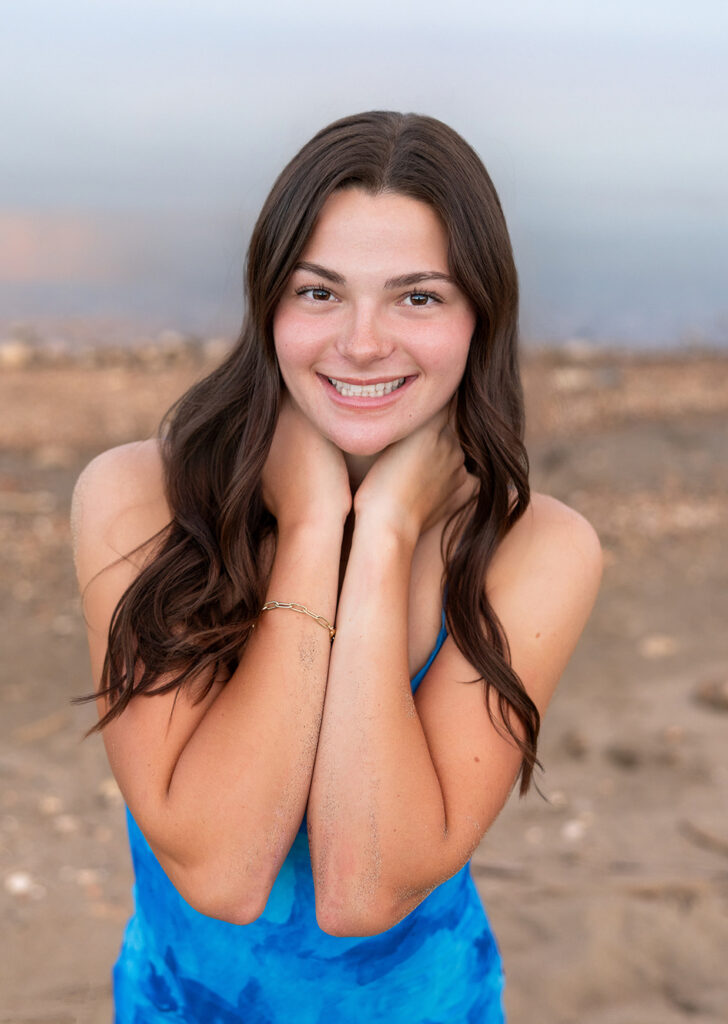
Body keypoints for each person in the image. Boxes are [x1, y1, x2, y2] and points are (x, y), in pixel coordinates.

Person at [71, 110, 603, 1023]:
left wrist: (386, 529)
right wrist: (318, 522)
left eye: (418, 297)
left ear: (482, 313)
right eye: (320, 293)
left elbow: (362, 889)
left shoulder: (540, 551)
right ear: (268, 301)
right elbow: (224, 872)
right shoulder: (135, 498)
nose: (362, 342)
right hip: (177, 1002)